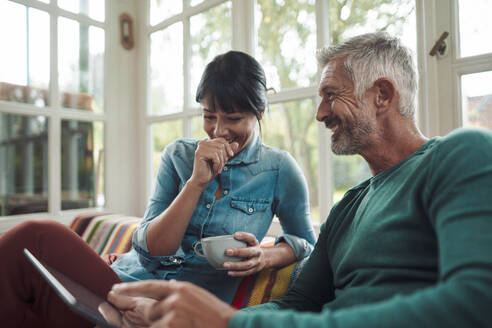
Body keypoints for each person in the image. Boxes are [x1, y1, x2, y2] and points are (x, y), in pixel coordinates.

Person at [107, 32, 492, 328]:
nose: (320, 113)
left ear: (382, 95)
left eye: (330, 95)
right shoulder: (346, 210)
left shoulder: (459, 155)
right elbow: (298, 304)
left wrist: (228, 322)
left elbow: (476, 301)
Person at [0, 51, 316, 327]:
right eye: (209, 116)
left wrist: (266, 255)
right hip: (121, 287)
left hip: (176, 310)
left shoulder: (279, 169)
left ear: (259, 113)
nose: (218, 130)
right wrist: (195, 183)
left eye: (233, 118)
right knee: (32, 243)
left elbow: (307, 244)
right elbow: (153, 247)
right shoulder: (179, 155)